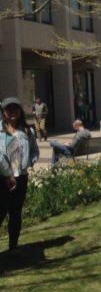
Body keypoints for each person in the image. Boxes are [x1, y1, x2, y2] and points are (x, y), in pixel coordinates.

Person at [0, 97, 39, 252]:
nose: (13, 112)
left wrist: (30, 161)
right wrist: (8, 174)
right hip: (3, 178)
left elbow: (35, 150)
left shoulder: (28, 131)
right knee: (1, 212)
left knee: (16, 213)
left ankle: (13, 247)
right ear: (3, 112)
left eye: (16, 108)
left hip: (20, 178)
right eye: (9, 109)